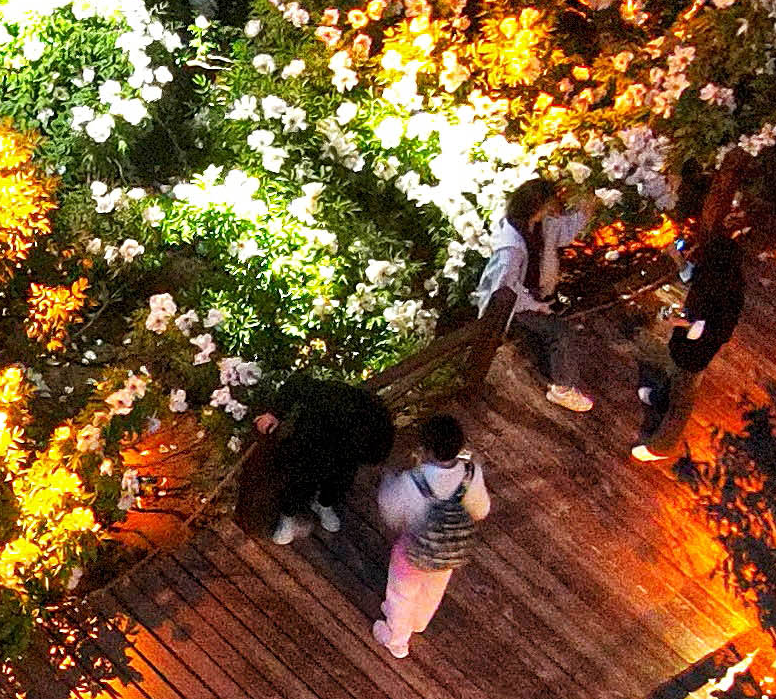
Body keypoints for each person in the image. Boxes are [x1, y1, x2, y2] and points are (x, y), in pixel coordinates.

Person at [470, 178, 598, 413]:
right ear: (536, 208)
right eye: (549, 204)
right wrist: (537, 306)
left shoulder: (538, 225)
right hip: (516, 307)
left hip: (534, 296)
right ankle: (563, 388)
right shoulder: (511, 247)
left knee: (555, 327)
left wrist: (585, 211)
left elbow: (562, 233)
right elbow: (507, 289)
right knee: (561, 332)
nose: (554, 208)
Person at [372, 414, 490, 661]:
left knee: (401, 596)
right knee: (432, 591)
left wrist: (388, 480)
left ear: (426, 449)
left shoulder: (414, 481)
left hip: (413, 553)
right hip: (448, 552)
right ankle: (418, 622)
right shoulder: (471, 474)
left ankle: (396, 640)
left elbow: (390, 511)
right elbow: (481, 510)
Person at [232, 375, 397, 545]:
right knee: (302, 479)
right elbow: (297, 382)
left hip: (342, 449)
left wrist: (348, 461)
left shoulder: (376, 427)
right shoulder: (330, 397)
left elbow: (359, 459)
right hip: (311, 441)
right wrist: (274, 413)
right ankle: (287, 515)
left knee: (342, 478)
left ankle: (323, 503)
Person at [631, 223, 747, 462]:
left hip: (697, 350)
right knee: (675, 374)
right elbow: (692, 276)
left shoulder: (724, 287)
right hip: (686, 344)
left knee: (682, 399)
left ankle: (661, 448)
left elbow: (705, 327)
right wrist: (677, 258)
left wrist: (676, 321)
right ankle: (659, 399)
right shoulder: (714, 271)